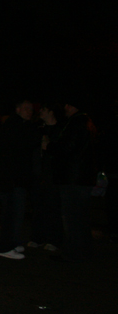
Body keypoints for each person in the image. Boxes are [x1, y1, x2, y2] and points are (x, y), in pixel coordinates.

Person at [47, 96, 98, 262]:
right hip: (83, 178)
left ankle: (72, 253)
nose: (65, 108)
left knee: (72, 217)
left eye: (68, 105)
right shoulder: (87, 122)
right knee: (81, 217)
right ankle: (84, 251)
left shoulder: (76, 123)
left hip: (73, 178)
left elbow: (68, 147)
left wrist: (50, 146)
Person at [0, 99, 36, 259]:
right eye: (26, 108)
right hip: (12, 179)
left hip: (13, 178)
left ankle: (12, 242)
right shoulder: (16, 126)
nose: (29, 112)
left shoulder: (17, 125)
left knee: (15, 212)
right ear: (18, 109)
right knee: (12, 213)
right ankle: (5, 246)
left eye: (31, 109)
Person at [27, 103, 64, 251]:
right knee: (37, 207)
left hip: (53, 175)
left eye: (43, 109)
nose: (40, 112)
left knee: (53, 208)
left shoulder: (60, 130)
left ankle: (53, 239)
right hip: (38, 174)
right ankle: (37, 237)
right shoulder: (38, 129)